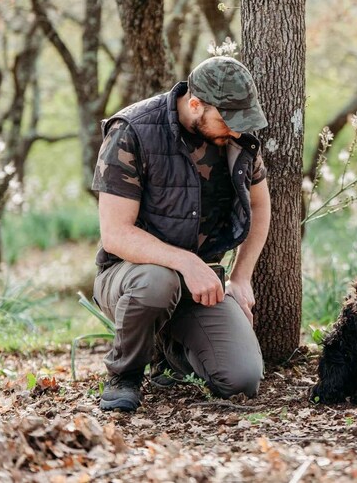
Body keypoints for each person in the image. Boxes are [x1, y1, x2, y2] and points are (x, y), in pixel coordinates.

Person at [91, 56, 271, 412]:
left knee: (242, 379)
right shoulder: (132, 130)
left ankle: (170, 354)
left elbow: (261, 205)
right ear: (195, 104)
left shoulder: (238, 137)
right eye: (227, 121)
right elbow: (115, 234)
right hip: (130, 276)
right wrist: (185, 262)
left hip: (199, 284)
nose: (236, 131)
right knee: (158, 282)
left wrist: (241, 277)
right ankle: (124, 375)